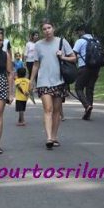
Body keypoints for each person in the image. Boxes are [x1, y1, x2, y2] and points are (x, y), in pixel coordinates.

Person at [30, 19, 76, 150]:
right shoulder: (38, 45)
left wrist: (63, 57)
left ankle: (54, 136)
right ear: (42, 31)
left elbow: (74, 57)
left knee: (56, 111)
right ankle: (49, 137)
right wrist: (31, 80)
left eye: (49, 28)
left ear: (53, 28)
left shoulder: (62, 42)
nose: (47, 31)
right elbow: (36, 64)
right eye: (44, 29)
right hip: (43, 81)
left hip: (59, 81)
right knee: (48, 109)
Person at [72, 24, 102, 120]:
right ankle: (88, 114)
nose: (77, 34)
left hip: (84, 67)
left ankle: (87, 106)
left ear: (82, 31)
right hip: (96, 68)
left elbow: (73, 55)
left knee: (78, 87)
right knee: (90, 89)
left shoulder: (80, 41)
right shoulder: (96, 41)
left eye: (78, 32)